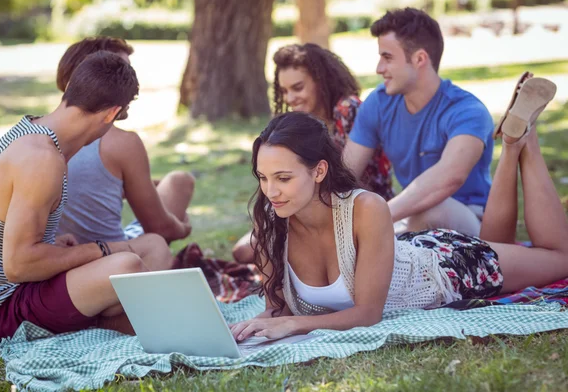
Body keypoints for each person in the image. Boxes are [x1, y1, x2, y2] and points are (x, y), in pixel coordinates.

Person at [229, 75, 565, 340]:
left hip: (446, 267)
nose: (271, 191)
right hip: (410, 249)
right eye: (263, 177)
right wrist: (246, 330)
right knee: (503, 240)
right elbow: (275, 311)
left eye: (283, 178)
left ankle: (519, 143)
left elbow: (367, 315)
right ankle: (513, 140)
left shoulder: (365, 208)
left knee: (561, 259)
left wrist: (294, 325)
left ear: (318, 170)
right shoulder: (270, 220)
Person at [0, 52, 154, 343]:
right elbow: (18, 265)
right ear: (111, 113)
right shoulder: (43, 160)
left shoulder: (27, 129)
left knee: (133, 270)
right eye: (122, 115)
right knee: (126, 266)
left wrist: (47, 244)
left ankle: (112, 321)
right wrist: (99, 250)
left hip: (2, 293)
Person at [0, 37, 194, 269]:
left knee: (177, 183)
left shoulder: (29, 133)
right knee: (177, 191)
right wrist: (183, 228)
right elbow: (159, 227)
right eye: (121, 70)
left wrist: (29, 229)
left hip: (47, 253)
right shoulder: (115, 145)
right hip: (78, 262)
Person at [231, 43, 394, 263]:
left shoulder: (348, 109)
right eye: (284, 91)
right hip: (308, 206)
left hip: (358, 209)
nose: (289, 98)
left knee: (263, 247)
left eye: (297, 88)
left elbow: (345, 178)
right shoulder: (298, 124)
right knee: (244, 249)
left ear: (321, 81)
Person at [343, 8, 494, 236]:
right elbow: (346, 172)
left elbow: (448, 178)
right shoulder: (379, 102)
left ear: (419, 59)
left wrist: (380, 215)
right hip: (410, 217)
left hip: (471, 221)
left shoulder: (466, 111)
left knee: (431, 211)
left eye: (387, 57)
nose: (379, 69)